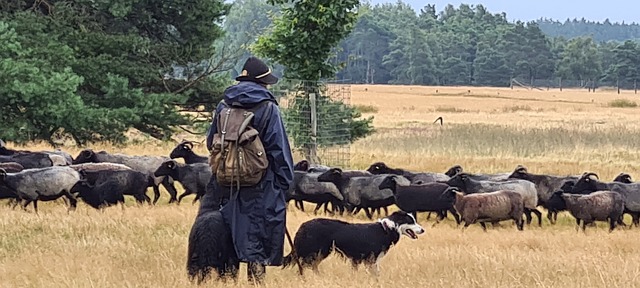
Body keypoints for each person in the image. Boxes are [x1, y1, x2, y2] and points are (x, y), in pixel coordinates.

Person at [203, 56, 294, 283]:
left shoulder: (223, 105)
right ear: (262, 83)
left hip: (225, 181)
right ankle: (256, 282)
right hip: (261, 183)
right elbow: (278, 150)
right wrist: (284, 185)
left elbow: (209, 142)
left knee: (228, 232)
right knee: (258, 235)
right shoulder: (268, 107)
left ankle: (226, 280)